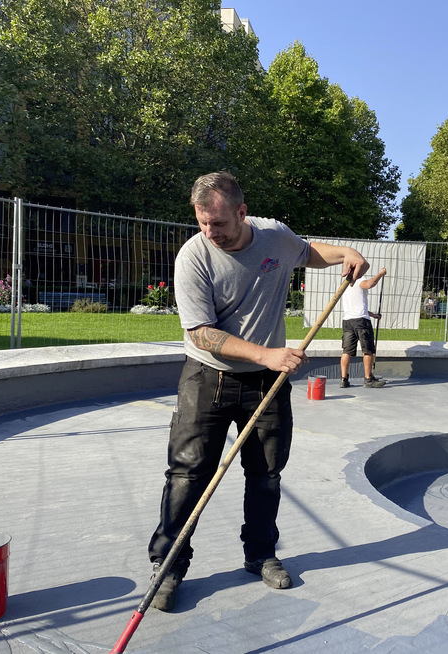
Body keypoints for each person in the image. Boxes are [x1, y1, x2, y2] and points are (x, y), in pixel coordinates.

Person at [148, 171, 370, 611]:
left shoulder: (273, 236)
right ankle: (169, 565)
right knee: (187, 475)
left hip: (267, 384)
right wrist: (266, 355)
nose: (210, 233)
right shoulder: (194, 257)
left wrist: (345, 252)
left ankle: (260, 554)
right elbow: (200, 334)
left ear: (242, 213)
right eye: (203, 223)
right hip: (208, 379)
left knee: (265, 474)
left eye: (219, 224)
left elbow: (308, 253)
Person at [339, 267, 387, 389]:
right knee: (368, 350)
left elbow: (357, 306)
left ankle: (344, 379)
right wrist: (380, 274)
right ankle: (368, 379)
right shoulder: (360, 279)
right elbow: (370, 284)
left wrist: (374, 315)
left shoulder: (345, 284)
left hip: (348, 321)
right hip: (361, 322)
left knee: (346, 351)